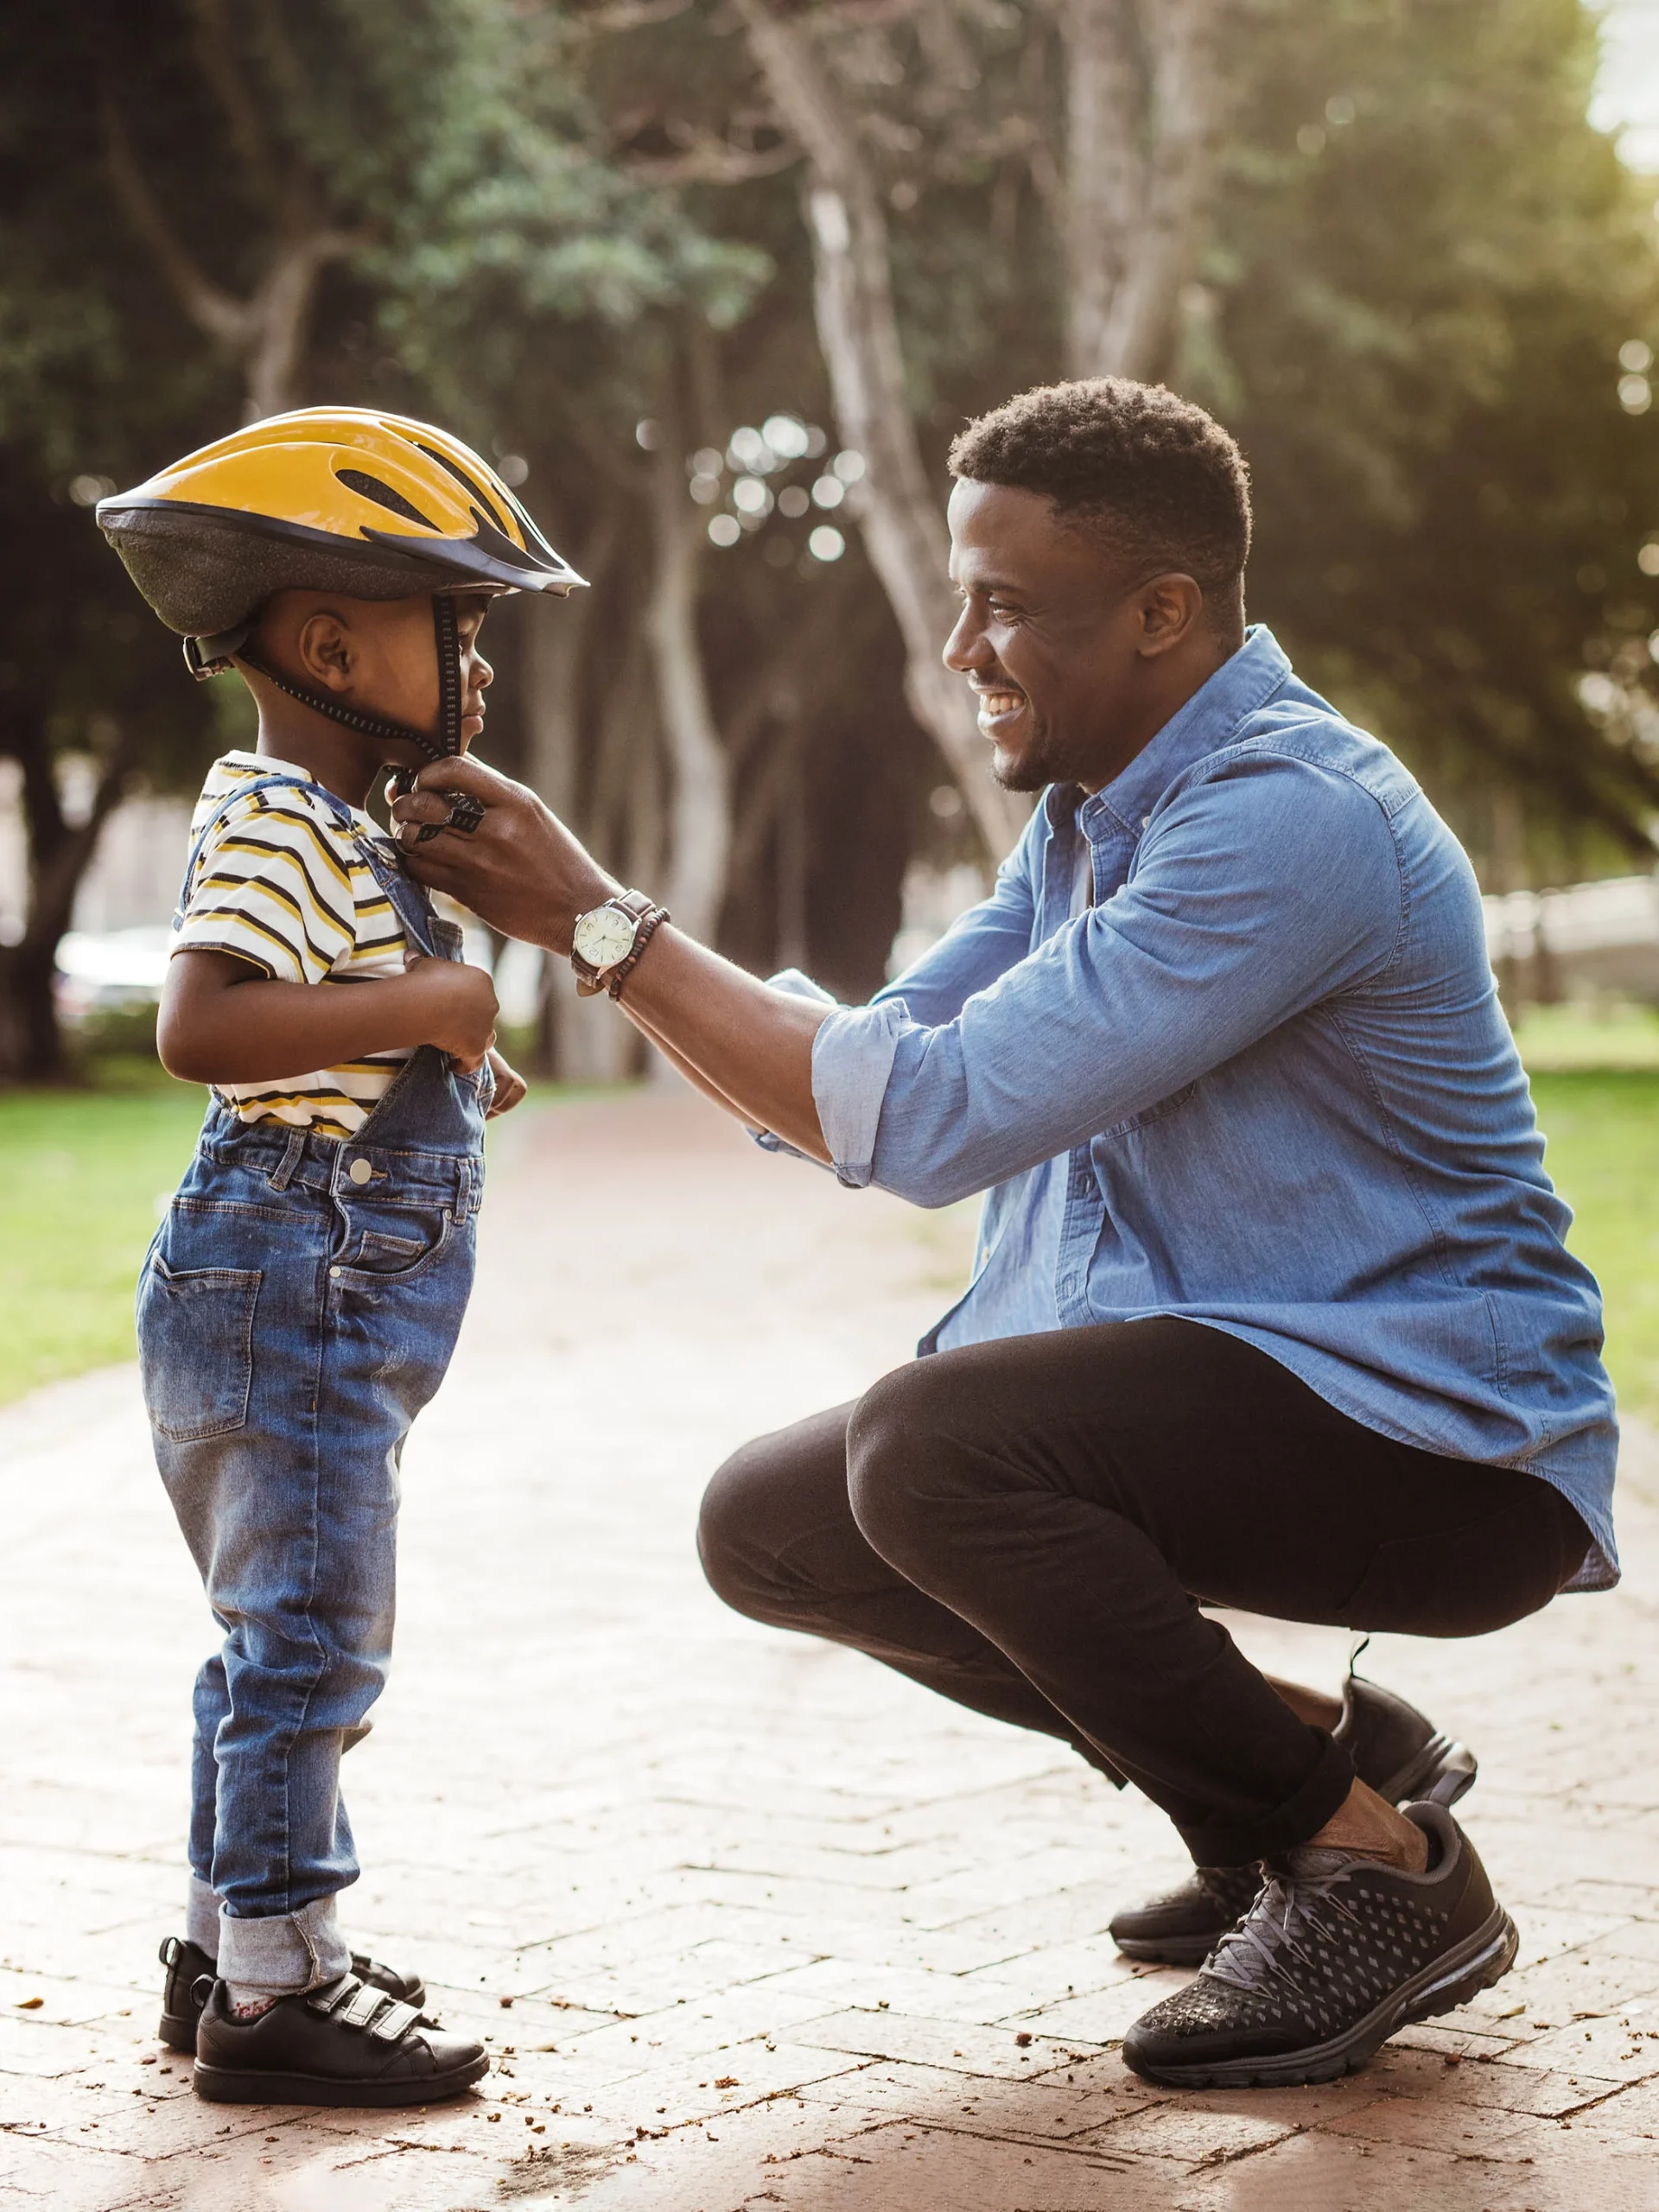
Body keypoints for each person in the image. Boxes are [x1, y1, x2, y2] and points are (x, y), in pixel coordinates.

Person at [387, 378, 1617, 2091]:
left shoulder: (1287, 818)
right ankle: (1329, 1759)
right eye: (965, 598)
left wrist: (598, 923)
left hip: (1440, 1439)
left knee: (932, 1453)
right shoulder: (1089, 821)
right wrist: (602, 937)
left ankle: (1374, 1866)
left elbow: (935, 1121)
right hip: (1263, 1397)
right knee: (775, 1522)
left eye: (1005, 604)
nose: (964, 645)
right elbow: (881, 1062)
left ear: (1162, 612)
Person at [97, 408, 585, 2106]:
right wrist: (443, 1000)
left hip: (310, 1273)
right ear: (326, 639)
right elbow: (206, 1024)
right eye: (463, 627)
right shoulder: (270, 811)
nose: (481, 669)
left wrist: (443, 1047)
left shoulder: (348, 825)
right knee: (311, 1642)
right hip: (288, 1264)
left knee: (274, 1636)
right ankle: (279, 1985)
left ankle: (220, 1940)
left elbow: (334, 1035)